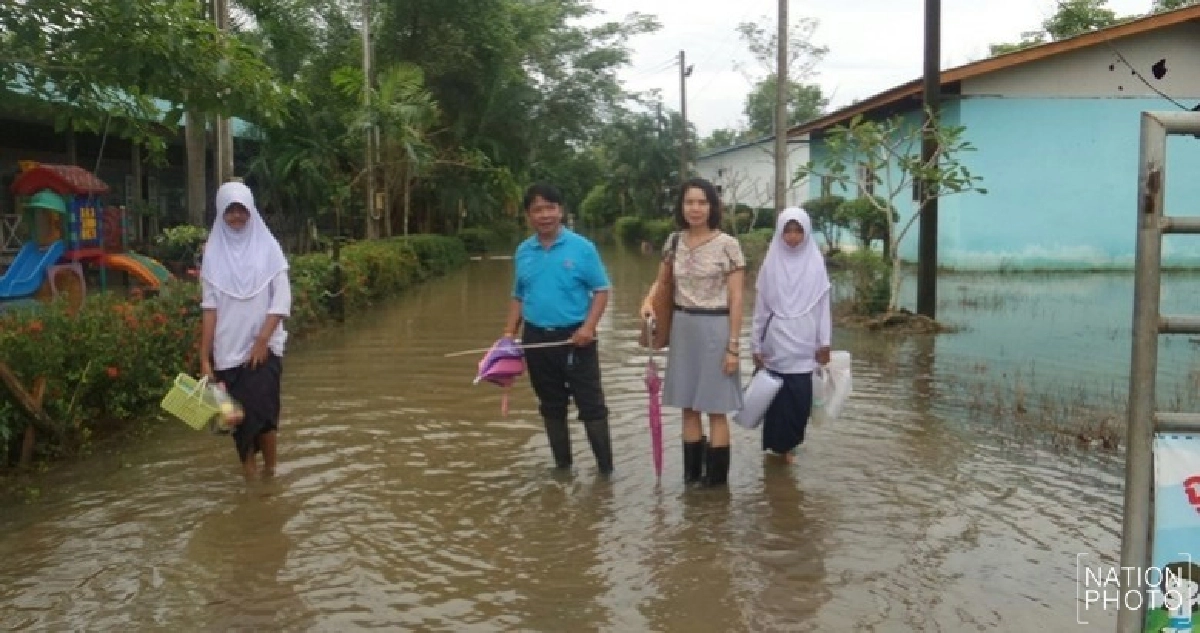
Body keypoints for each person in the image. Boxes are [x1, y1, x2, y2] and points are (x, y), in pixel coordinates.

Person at [640, 177, 746, 486]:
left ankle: (715, 486)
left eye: (702, 202)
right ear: (681, 206)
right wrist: (648, 301)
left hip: (715, 327)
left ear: (712, 206)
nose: (696, 208)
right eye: (690, 202)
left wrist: (733, 347)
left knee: (715, 409)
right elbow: (662, 283)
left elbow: (737, 298)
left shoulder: (728, 244)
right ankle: (691, 478)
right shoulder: (674, 242)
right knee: (688, 406)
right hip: (683, 329)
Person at [502, 183, 614, 475]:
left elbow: (601, 291)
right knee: (551, 406)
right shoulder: (524, 251)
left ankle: (606, 473)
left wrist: (589, 328)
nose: (545, 215)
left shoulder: (582, 248)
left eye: (550, 208)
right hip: (536, 339)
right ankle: (562, 470)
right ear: (528, 215)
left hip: (577, 338)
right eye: (537, 209)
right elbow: (519, 295)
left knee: (591, 406)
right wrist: (508, 335)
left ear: (561, 211)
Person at [199, 181, 292, 480]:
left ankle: (271, 475)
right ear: (221, 214)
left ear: (251, 211)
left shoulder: (269, 249)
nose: (237, 216)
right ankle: (250, 480)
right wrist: (204, 358)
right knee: (237, 424)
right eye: (230, 211)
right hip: (228, 354)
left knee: (264, 418)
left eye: (242, 210)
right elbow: (209, 310)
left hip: (264, 350)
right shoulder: (212, 256)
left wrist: (262, 341)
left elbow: (281, 300)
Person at [751, 207, 832, 464]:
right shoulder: (771, 265)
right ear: (780, 232)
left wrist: (825, 342)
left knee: (800, 398)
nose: (793, 237)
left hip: (805, 342)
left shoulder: (816, 265)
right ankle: (779, 451)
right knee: (776, 397)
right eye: (788, 231)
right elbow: (761, 309)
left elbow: (823, 308)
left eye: (798, 231)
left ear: (807, 232)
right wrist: (755, 344)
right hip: (776, 341)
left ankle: (790, 444)